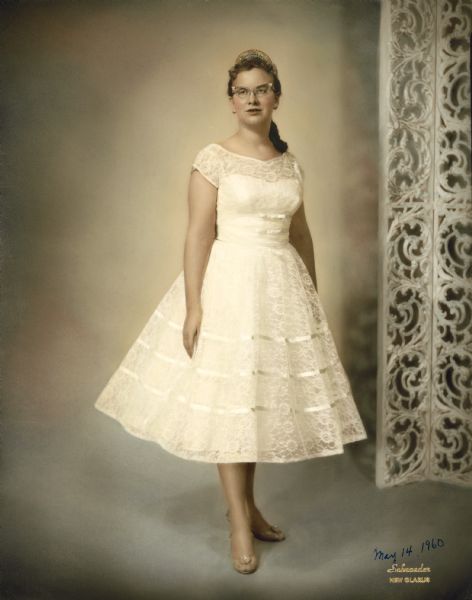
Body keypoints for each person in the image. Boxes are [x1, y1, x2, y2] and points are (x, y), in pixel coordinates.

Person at [94, 48, 368, 575]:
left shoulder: (289, 163)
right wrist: (195, 305)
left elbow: (302, 233)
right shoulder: (213, 158)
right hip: (230, 285)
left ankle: (250, 506)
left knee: (258, 401)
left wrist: (310, 300)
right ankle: (239, 521)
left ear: (276, 97)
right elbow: (198, 234)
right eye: (242, 90)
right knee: (232, 402)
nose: (251, 98)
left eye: (261, 88)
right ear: (230, 101)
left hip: (280, 286)